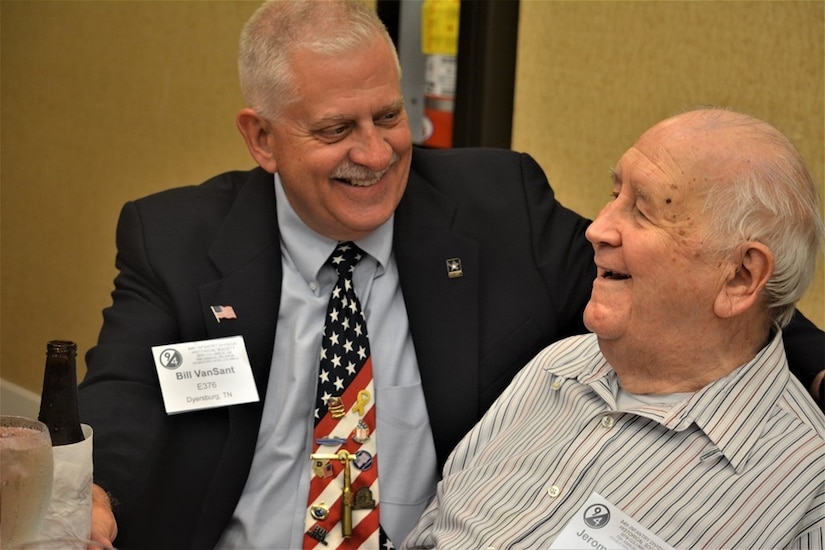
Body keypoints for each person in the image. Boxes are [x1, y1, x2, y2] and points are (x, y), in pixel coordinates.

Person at [77, 1, 825, 547]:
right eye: (336, 129)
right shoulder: (176, 237)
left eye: (389, 117)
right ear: (261, 137)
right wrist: (92, 494)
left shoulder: (497, 207)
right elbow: (126, 388)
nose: (373, 154)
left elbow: (697, 300)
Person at [401, 108, 825, 550]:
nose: (597, 229)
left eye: (642, 211)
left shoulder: (807, 491)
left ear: (740, 277)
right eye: (614, 193)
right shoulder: (558, 366)